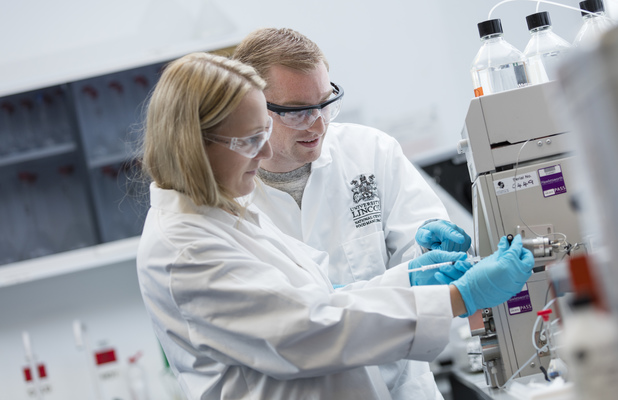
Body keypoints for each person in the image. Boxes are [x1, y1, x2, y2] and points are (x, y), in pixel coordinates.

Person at [136, 52, 534, 400]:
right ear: (194, 142)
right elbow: (305, 332)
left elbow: (323, 296)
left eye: (264, 135)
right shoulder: (185, 246)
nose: (264, 151)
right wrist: (457, 297)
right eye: (250, 139)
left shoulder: (224, 217)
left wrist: (410, 278)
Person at [232, 27, 473, 398]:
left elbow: (420, 261)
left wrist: (428, 253)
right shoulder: (228, 199)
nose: (319, 123)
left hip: (403, 388)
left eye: (326, 102)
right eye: (297, 112)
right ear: (251, 108)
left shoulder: (370, 152)